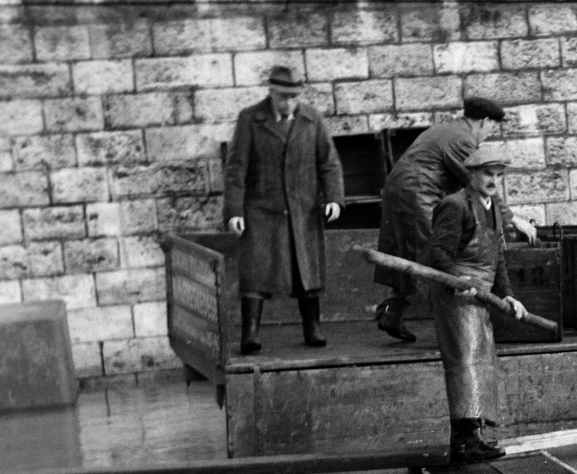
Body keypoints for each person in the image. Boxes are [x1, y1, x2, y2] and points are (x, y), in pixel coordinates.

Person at [373, 96, 536, 342]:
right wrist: (513, 219)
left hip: (402, 190)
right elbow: (478, 183)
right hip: (418, 192)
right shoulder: (463, 138)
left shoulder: (449, 128)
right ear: (483, 121)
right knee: (439, 253)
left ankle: (391, 312)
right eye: (491, 127)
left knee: (412, 253)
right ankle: (454, 328)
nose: (489, 134)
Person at [222, 65, 345, 354]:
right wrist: (234, 211)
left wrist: (334, 198)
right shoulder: (250, 119)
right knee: (256, 272)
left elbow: (329, 162)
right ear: (271, 92)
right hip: (261, 209)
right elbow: (236, 168)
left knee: (307, 270)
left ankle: (312, 327)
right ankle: (250, 334)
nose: (288, 103)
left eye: (293, 97)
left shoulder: (311, 119)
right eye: (283, 97)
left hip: (303, 208)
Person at [427, 147, 533, 464]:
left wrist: (509, 294)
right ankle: (469, 441)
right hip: (456, 297)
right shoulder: (454, 205)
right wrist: (458, 281)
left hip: (482, 296)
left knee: (481, 363)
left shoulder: (494, 209)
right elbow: (438, 254)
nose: (493, 180)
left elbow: (495, 258)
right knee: (464, 365)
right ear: (471, 174)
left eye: (499, 174)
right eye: (488, 173)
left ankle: (467, 439)